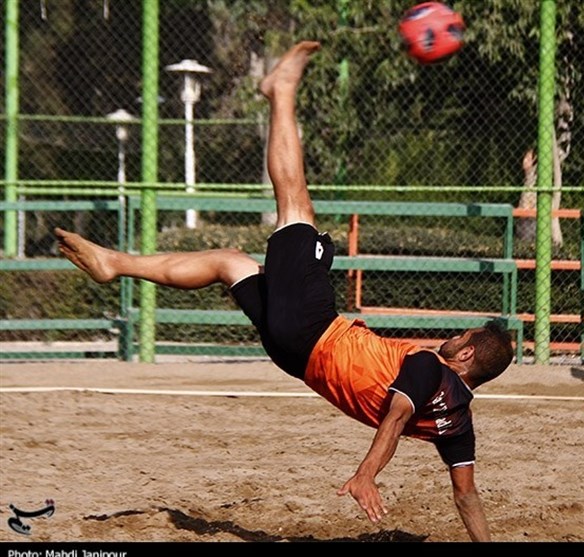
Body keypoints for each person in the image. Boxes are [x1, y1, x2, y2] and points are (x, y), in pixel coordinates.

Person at [55, 40, 514, 542]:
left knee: (296, 205)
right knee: (229, 263)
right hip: (294, 357)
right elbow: (466, 496)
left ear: (466, 354)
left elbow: (396, 416)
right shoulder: (459, 422)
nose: (453, 336)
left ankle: (281, 90)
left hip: (314, 330)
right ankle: (114, 264)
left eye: (461, 336)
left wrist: (366, 474)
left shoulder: (429, 367)